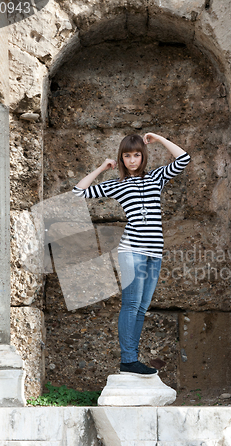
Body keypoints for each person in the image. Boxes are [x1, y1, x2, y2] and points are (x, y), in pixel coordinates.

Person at [73, 132, 191, 375]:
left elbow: (183, 159)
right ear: (122, 158)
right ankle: (128, 359)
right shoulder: (117, 185)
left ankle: (132, 361)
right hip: (131, 251)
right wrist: (102, 167)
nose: (132, 160)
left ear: (143, 156)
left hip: (154, 253)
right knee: (131, 303)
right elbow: (78, 192)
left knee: (141, 307)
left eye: (136, 154)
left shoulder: (156, 177)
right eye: (127, 155)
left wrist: (158, 139)